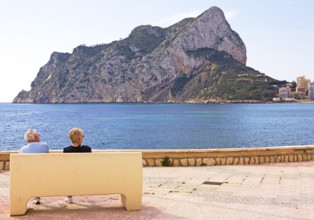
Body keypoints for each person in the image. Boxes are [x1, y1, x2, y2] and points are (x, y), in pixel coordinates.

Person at [19, 129, 49, 205]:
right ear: (35, 137)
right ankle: (36, 196)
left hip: (29, 175)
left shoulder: (22, 150)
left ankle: (35, 197)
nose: (39, 137)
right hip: (43, 173)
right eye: (38, 135)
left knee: (32, 175)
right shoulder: (45, 146)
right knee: (38, 174)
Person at [63, 128, 92, 203]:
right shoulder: (87, 149)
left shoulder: (66, 150)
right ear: (80, 138)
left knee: (69, 174)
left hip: (71, 176)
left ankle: (69, 197)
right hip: (85, 175)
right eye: (82, 136)